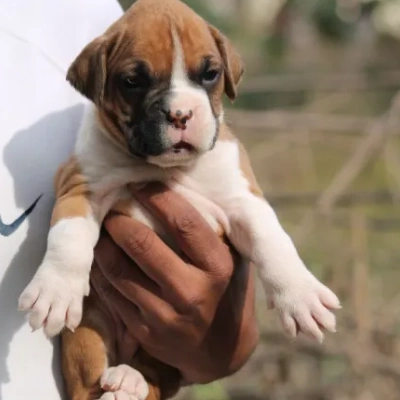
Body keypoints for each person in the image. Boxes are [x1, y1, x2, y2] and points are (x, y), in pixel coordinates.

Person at [0, 0, 258, 398]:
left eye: (206, 77)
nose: (176, 110)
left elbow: (224, 340)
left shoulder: (83, 21)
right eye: (136, 84)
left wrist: (221, 340)